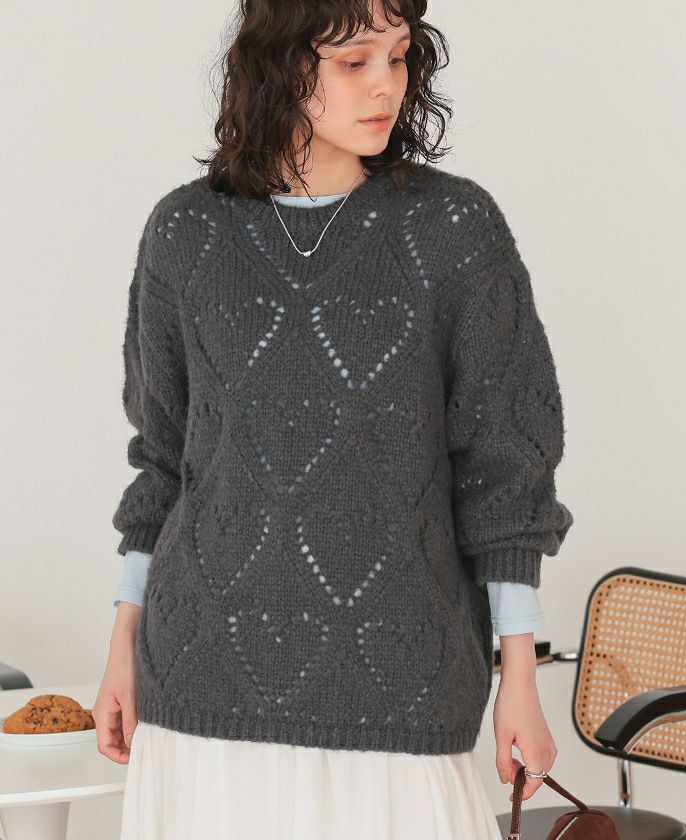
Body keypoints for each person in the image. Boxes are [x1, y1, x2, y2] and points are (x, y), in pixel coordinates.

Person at [93, 0, 574, 837]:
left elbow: (505, 473)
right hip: (202, 680)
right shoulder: (185, 232)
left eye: (400, 56)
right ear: (281, 65)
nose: (386, 85)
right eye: (354, 62)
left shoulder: (452, 230)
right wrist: (122, 646)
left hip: (401, 682)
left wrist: (520, 681)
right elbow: (164, 461)